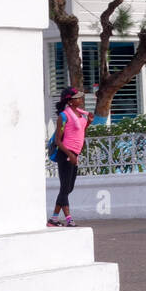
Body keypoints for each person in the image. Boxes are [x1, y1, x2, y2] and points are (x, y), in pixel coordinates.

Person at [49, 87, 91, 227]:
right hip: (66, 154)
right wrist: (69, 154)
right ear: (70, 101)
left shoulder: (80, 114)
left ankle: (54, 219)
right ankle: (68, 219)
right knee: (65, 187)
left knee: (69, 188)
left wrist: (89, 122)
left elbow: (79, 132)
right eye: (77, 97)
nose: (80, 99)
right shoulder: (64, 116)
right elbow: (58, 140)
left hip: (74, 154)